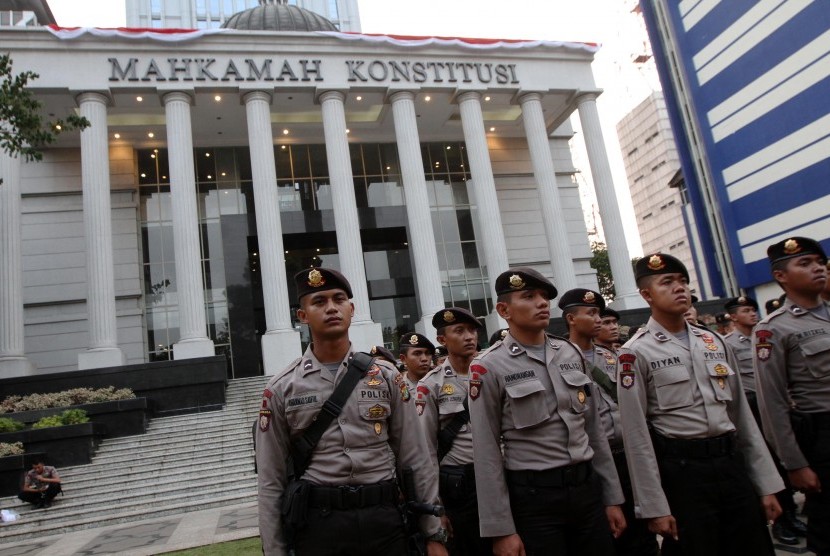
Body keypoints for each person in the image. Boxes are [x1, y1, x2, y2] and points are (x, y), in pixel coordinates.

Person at [256, 267, 448, 556]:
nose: (331, 308)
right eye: (319, 302)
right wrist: (275, 551)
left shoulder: (386, 376)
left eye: (339, 299)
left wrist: (434, 533)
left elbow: (415, 456)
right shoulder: (281, 388)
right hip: (320, 525)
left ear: (352, 308)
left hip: (384, 519)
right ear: (303, 316)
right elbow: (271, 480)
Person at [617, 253, 783, 556]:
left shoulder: (713, 343)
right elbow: (636, 436)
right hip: (684, 473)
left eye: (682, 281)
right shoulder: (635, 353)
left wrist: (766, 483)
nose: (680, 288)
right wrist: (654, 505)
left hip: (730, 464)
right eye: (667, 282)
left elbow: (742, 419)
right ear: (646, 294)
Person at [469, 267, 625, 556]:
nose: (542, 303)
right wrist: (501, 529)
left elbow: (593, 431)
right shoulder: (488, 366)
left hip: (586, 489)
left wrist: (611, 497)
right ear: (504, 309)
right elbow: (486, 450)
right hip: (534, 498)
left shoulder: (570, 352)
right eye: (528, 296)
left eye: (544, 296)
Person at [559, 288, 659, 556]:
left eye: (599, 314)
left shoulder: (613, 358)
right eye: (591, 313)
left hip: (627, 457)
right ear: (571, 319)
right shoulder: (557, 362)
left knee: (642, 535)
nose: (599, 320)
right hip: (592, 463)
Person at [753, 237, 830, 556]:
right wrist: (794, 463)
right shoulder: (773, 330)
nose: (817, 268)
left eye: (819, 262)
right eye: (805, 263)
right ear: (781, 276)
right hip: (823, 437)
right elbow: (772, 404)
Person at [724, 295, 806, 544]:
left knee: (784, 461)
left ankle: (791, 514)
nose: (752, 313)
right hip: (752, 408)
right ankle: (780, 522)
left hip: (776, 405)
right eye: (745, 310)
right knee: (767, 463)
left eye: (752, 309)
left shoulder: (767, 336)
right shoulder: (729, 344)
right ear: (733, 316)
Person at [417, 308, 491, 556]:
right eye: (459, 331)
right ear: (442, 340)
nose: (469, 336)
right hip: (459, 485)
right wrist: (437, 509)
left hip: (499, 474)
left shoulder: (493, 373)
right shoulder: (431, 385)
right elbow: (425, 452)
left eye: (472, 330)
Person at [399, 332, 436, 396]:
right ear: (403, 359)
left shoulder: (442, 383)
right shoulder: (397, 389)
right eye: (417, 353)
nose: (424, 359)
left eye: (428, 353)